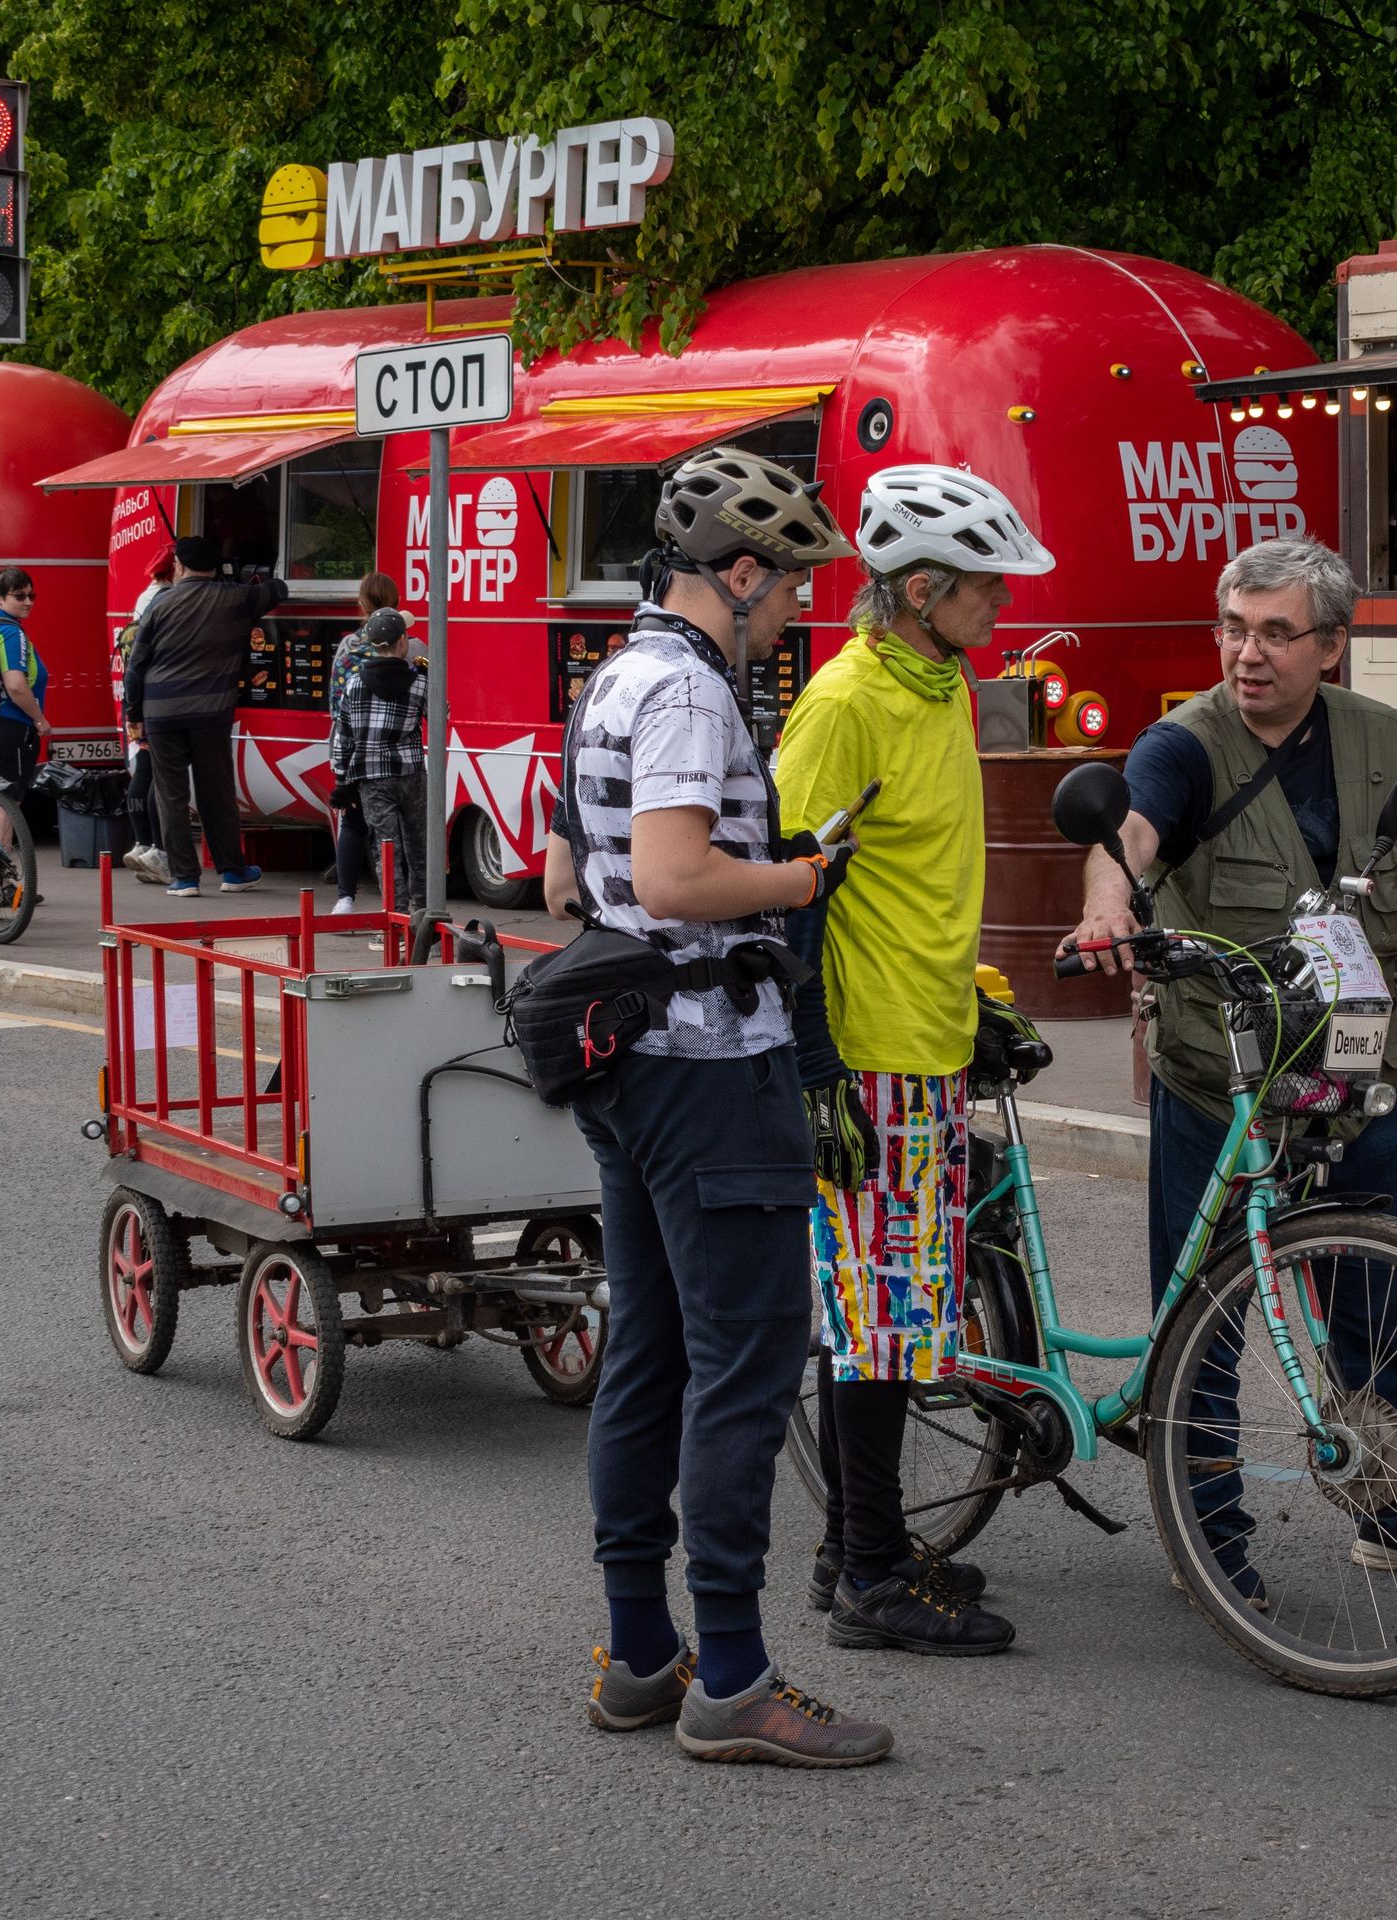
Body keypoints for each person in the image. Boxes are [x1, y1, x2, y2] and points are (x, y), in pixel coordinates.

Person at [1061, 535, 1397, 1597]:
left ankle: (1393, 1512)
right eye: (1234, 626)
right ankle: (1207, 1535)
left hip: (1352, 1070)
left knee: (1380, 1308)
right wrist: (1104, 909)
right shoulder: (1182, 745)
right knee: (1205, 1323)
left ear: (1332, 644)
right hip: (1217, 1076)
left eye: (1276, 632)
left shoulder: (1372, 736)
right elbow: (1127, 837)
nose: (1248, 653)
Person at [538, 447, 892, 1767]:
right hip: (707, 1067)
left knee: (653, 1354)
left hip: (630, 1066)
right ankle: (733, 1678)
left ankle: (639, 1654)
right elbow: (682, 878)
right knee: (745, 1367)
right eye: (789, 587)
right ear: (738, 576)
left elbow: (575, 880)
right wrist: (801, 880)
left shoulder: (611, 678)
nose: (797, 609)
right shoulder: (688, 690)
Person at [774, 466, 1054, 1658]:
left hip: (930, 1038)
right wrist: (816, 1061)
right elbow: (782, 891)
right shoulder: (844, 704)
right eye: (985, 586)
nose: (1000, 605)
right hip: (870, 1054)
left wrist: (973, 1001)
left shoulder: (937, 683)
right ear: (922, 588)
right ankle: (872, 1580)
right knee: (881, 1323)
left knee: (901, 1316)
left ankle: (857, 1542)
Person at [123, 534, 285, 897]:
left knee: (171, 795)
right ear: (216, 567)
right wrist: (240, 579)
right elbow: (279, 588)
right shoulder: (236, 598)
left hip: (161, 712)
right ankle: (232, 872)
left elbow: (136, 665)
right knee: (217, 793)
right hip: (211, 714)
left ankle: (184, 878)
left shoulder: (160, 606)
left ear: (178, 567)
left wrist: (133, 713)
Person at [327, 607, 426, 905]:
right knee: (419, 848)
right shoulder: (420, 682)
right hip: (410, 775)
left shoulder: (354, 685)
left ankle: (395, 923)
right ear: (402, 642)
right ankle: (424, 920)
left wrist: (342, 782)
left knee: (386, 849)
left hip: (371, 780)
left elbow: (343, 737)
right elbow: (440, 717)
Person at [326, 571, 402, 914]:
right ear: (398, 605)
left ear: (360, 606)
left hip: (353, 749)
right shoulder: (412, 646)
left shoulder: (347, 647)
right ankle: (396, 904)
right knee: (395, 832)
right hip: (399, 753)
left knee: (353, 822)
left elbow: (334, 704)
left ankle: (345, 898)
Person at [120, 550, 181, 883]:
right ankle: (157, 848)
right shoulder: (166, 599)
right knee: (158, 776)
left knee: (142, 770)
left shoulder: (145, 598)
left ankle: (142, 842)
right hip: (154, 699)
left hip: (135, 701)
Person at [0, 567, 51, 797]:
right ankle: (1, 837)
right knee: (9, 800)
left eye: (30, 596)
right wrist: (39, 719)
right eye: (20, 596)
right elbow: (15, 684)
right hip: (13, 724)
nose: (28, 602)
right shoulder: (9, 631)